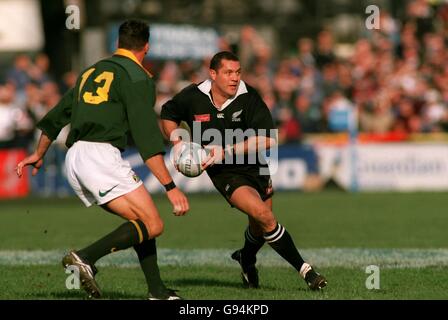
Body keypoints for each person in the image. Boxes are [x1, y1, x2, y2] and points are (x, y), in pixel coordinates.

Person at [16, 19, 189, 300]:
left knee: (142, 221)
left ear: (118, 44)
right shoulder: (138, 77)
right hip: (99, 155)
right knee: (154, 224)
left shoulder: (90, 71)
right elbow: (147, 141)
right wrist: (172, 188)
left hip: (74, 157)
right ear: (146, 47)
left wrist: (39, 153)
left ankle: (157, 291)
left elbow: (56, 117)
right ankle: (85, 257)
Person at [160, 51, 327, 291]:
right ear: (213, 74)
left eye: (238, 72)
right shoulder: (193, 96)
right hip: (224, 173)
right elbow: (168, 115)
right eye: (228, 72)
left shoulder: (248, 96)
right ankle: (307, 271)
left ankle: (246, 259)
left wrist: (226, 150)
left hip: (254, 166)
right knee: (265, 216)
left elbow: (269, 138)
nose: (234, 78)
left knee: (259, 226)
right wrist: (177, 142)